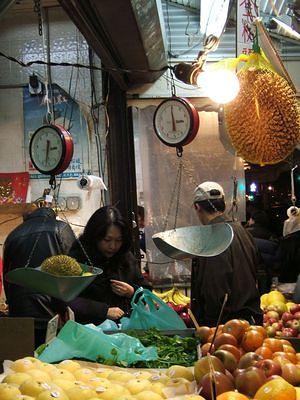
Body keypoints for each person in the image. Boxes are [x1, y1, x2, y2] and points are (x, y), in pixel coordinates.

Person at [191, 181, 263, 326]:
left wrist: (211, 326)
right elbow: (258, 270)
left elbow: (214, 288)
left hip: (228, 328)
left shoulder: (212, 238)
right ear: (222, 204)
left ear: (197, 207)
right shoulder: (242, 230)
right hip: (251, 321)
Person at [3, 206, 74, 346]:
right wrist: (65, 306)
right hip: (53, 308)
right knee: (54, 359)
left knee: (26, 359)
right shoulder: (61, 228)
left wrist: (12, 305)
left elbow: (8, 277)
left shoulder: (13, 235)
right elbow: (74, 271)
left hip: (21, 310)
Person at [67, 206, 151, 325]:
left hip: (126, 329)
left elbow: (146, 291)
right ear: (95, 237)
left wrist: (132, 291)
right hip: (89, 332)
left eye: (118, 240)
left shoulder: (125, 257)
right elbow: (66, 298)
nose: (113, 246)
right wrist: (103, 311)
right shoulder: (79, 257)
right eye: (107, 240)